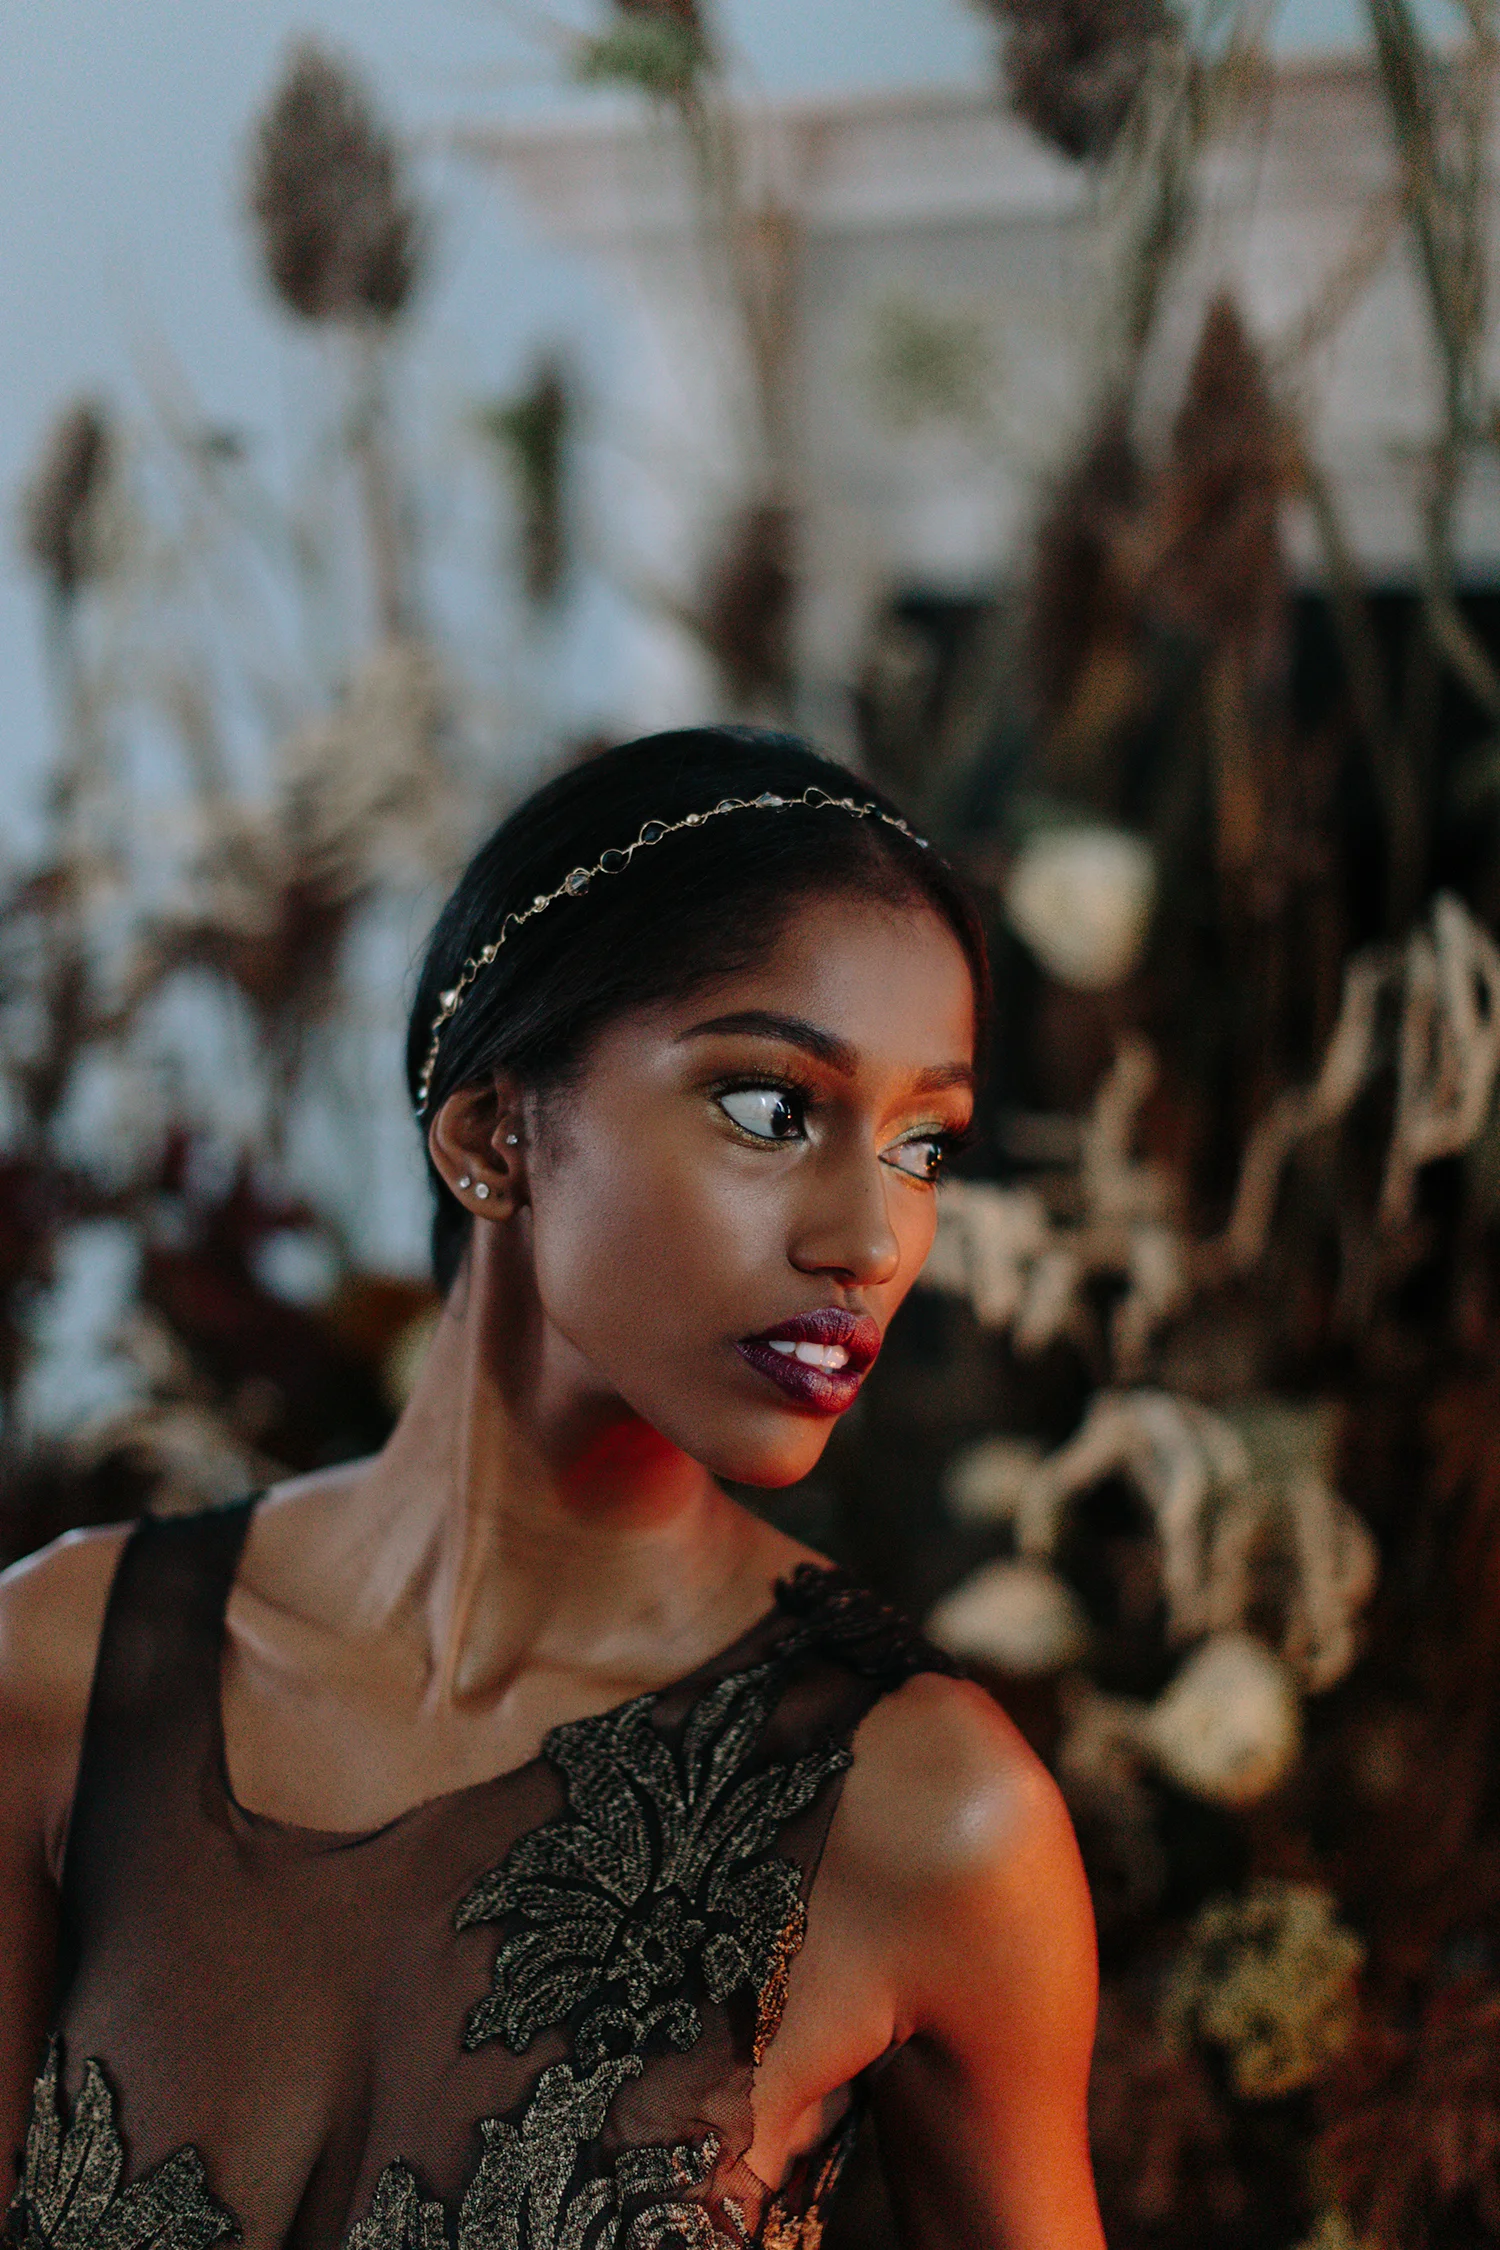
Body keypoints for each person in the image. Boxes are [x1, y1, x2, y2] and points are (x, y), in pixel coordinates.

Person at [0, 728, 1103, 2249]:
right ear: (492, 1133)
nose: (873, 1236)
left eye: (923, 1144)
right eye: (775, 1108)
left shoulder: (933, 1814)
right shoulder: (61, 1673)